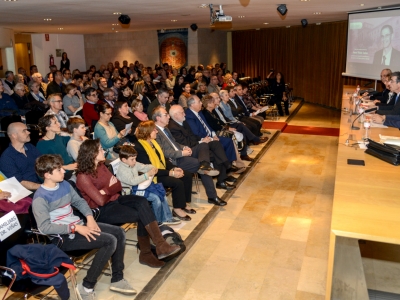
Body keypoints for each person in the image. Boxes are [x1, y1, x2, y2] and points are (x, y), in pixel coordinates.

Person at [32, 154, 137, 299]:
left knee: (119, 232)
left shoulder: (65, 185)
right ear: (47, 175)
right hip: (63, 237)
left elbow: (80, 202)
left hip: (78, 226)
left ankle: (117, 278)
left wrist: (89, 218)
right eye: (59, 170)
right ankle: (86, 286)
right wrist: (74, 228)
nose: (64, 171)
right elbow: (45, 228)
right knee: (109, 241)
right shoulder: (40, 198)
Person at [76, 139, 180, 267]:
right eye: (100, 149)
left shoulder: (101, 166)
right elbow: (100, 201)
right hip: (101, 211)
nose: (103, 151)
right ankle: (148, 252)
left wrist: (105, 190)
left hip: (115, 199)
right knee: (142, 214)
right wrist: (109, 188)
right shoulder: (83, 177)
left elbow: (118, 185)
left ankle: (159, 246)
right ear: (91, 154)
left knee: (142, 202)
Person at [152, 107, 228, 206]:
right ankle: (212, 196)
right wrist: (181, 153)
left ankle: (205, 164)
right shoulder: (155, 132)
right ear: (158, 118)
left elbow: (174, 143)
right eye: (166, 115)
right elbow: (162, 152)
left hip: (181, 153)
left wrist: (184, 147)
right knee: (198, 164)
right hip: (175, 160)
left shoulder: (165, 128)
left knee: (203, 145)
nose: (168, 117)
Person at [134, 120, 196, 219]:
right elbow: (149, 169)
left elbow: (163, 160)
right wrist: (171, 173)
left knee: (187, 175)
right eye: (154, 130)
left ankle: (183, 203)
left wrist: (174, 168)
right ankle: (177, 209)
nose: (157, 131)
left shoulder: (153, 143)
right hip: (151, 176)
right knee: (177, 182)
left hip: (160, 171)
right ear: (148, 132)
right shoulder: (140, 147)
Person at [168, 104, 237, 187]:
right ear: (176, 115)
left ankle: (226, 166)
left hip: (197, 145)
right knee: (215, 155)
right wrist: (201, 142)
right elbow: (186, 144)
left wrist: (205, 139)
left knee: (216, 144)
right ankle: (222, 178)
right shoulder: (173, 128)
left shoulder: (183, 121)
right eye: (182, 113)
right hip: (190, 150)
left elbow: (193, 136)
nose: (184, 114)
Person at [116, 145, 180, 225]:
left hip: (138, 187)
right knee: (155, 198)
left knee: (161, 193)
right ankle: (157, 222)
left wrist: (152, 167)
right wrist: (147, 175)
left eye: (135, 158)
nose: (135, 161)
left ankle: (167, 218)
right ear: (124, 160)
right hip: (130, 192)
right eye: (132, 159)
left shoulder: (133, 163)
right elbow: (132, 181)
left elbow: (144, 167)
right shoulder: (122, 170)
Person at [185, 95, 237, 163]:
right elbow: (196, 132)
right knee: (221, 144)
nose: (201, 103)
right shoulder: (189, 115)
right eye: (199, 102)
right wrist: (211, 138)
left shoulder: (199, 112)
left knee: (228, 141)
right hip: (204, 139)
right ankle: (226, 164)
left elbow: (207, 125)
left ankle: (230, 162)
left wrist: (214, 134)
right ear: (192, 104)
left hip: (210, 135)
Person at [0, 122, 42, 190]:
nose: (28, 132)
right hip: (27, 191)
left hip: (42, 182)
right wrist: (44, 187)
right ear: (14, 135)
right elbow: (19, 182)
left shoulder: (30, 147)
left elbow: (44, 164)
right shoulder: (6, 158)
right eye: (24, 131)